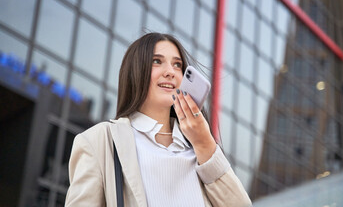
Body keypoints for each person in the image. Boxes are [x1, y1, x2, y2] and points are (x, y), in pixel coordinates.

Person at [65, 33, 252, 207]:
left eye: (177, 65)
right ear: (136, 72)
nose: (170, 71)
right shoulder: (99, 141)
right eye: (157, 61)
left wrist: (204, 143)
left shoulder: (199, 153)